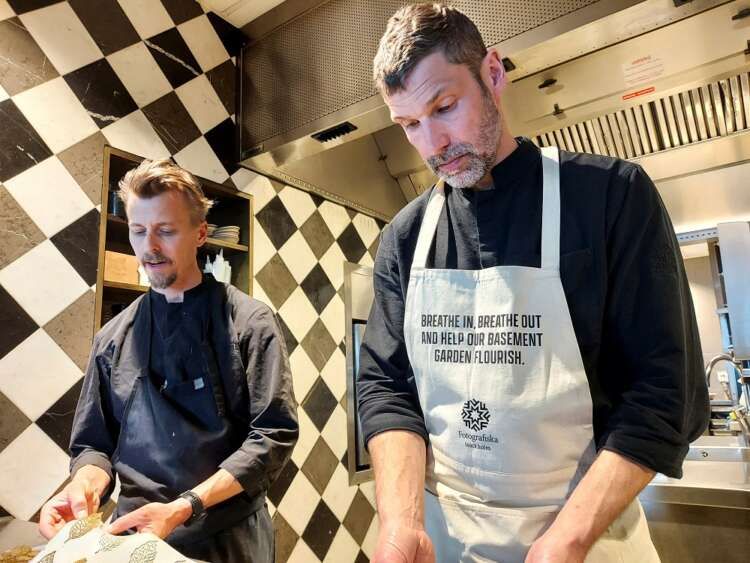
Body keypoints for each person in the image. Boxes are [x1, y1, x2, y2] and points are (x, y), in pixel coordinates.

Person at [357, 4, 709, 562]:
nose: (432, 144)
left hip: (588, 542)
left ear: (493, 74)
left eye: (444, 108)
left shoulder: (611, 197)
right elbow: (387, 387)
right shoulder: (404, 236)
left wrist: (566, 541)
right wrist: (402, 522)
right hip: (447, 543)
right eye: (409, 125)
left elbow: (665, 393)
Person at [38, 159, 298, 562]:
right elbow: (93, 444)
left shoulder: (249, 322)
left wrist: (185, 506)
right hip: (133, 539)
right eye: (139, 230)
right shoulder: (113, 337)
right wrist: (82, 486)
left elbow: (273, 435)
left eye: (166, 230)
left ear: (200, 233)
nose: (149, 247)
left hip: (226, 538)